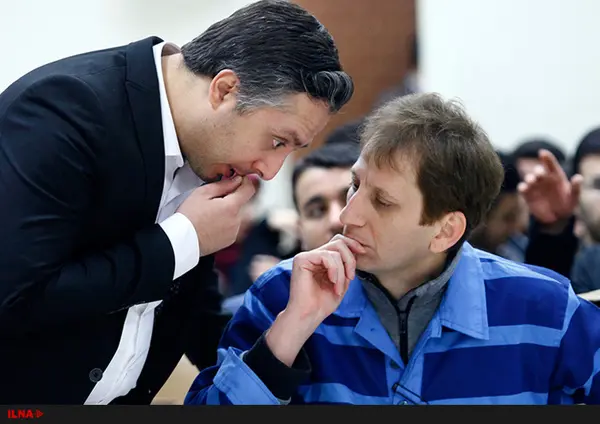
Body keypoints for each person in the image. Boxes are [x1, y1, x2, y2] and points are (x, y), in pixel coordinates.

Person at [0, 0, 353, 404]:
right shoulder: (62, 110)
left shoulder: (204, 152)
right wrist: (181, 240)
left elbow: (195, 319)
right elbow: (14, 296)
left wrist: (295, 324)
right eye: (276, 141)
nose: (270, 171)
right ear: (224, 89)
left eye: (291, 150)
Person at [185, 93, 600, 405]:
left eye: (382, 202)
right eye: (356, 184)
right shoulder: (282, 294)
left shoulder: (549, 310)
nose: (347, 215)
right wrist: (289, 331)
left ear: (445, 231)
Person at [223, 127, 361, 313]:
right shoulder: (250, 316)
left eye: (349, 200)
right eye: (317, 211)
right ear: (300, 230)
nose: (336, 220)